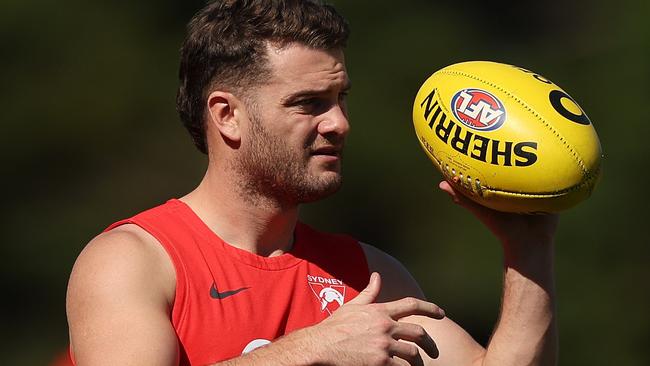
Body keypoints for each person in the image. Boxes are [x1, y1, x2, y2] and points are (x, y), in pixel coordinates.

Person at [66, 1, 559, 365]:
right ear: (226, 116)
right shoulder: (135, 260)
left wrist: (528, 251)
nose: (339, 123)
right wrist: (313, 348)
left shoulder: (368, 275)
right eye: (308, 104)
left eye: (341, 97)